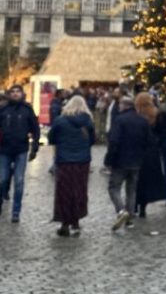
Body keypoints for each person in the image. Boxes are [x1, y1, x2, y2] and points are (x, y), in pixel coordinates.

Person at [0, 84, 40, 223]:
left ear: (22, 94)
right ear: (9, 94)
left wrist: (35, 146)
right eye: (13, 92)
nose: (16, 94)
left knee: (19, 181)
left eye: (18, 92)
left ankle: (16, 211)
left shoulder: (27, 110)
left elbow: (35, 128)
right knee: (1, 180)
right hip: (4, 149)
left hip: (21, 149)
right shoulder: (3, 110)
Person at [49, 95, 95, 236]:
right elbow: (92, 140)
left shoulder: (60, 121)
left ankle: (64, 223)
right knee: (79, 191)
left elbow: (52, 138)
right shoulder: (88, 122)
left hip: (64, 161)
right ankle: (75, 222)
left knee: (64, 192)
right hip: (82, 161)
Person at [105, 96, 150, 230]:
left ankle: (121, 211)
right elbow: (149, 141)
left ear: (124, 106)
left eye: (120, 105)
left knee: (114, 187)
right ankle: (129, 218)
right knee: (131, 190)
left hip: (120, 160)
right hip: (136, 160)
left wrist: (108, 160)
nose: (118, 107)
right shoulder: (142, 121)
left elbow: (114, 141)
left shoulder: (119, 120)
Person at [134, 92, 166, 219]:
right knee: (147, 180)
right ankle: (143, 207)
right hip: (152, 151)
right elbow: (161, 132)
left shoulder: (136, 115)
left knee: (137, 179)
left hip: (138, 150)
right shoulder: (156, 114)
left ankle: (134, 203)